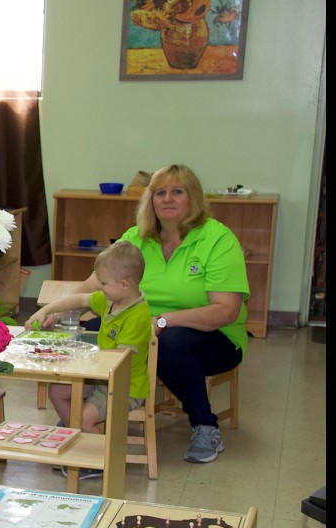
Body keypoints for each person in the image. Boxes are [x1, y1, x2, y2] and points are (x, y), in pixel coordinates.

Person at [80, 164, 249, 464]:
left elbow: (226, 310)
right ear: (151, 200)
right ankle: (86, 419)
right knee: (90, 333)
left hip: (215, 337)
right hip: (144, 328)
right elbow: (95, 284)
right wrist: (59, 310)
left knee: (170, 343)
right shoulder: (136, 237)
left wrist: (163, 320)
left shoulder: (218, 239)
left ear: (193, 198)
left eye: (177, 192)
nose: (167, 199)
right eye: (160, 193)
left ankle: (205, 425)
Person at [26, 241, 152, 479]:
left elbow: (118, 362)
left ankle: (94, 457)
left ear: (125, 284)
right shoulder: (112, 299)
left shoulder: (138, 316)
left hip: (125, 386)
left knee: (83, 417)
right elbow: (80, 300)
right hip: (102, 378)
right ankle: (79, 433)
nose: (100, 288)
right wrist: (46, 311)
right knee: (58, 390)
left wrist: (82, 361)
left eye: (104, 283)